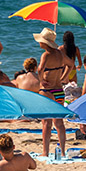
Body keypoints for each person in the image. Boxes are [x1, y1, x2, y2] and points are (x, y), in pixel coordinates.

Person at [35, 28, 72, 157]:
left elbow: (40, 69)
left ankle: (45, 152)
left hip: (47, 90)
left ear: (45, 43)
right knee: (59, 123)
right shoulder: (60, 53)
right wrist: (63, 77)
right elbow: (71, 64)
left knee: (46, 123)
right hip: (59, 90)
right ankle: (62, 151)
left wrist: (41, 81)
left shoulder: (46, 54)